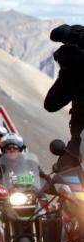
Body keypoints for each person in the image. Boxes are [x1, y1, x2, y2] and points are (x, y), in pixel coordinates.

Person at [44, 41, 84, 169]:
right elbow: (51, 104)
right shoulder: (72, 77)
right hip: (78, 142)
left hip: (78, 141)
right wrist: (66, 75)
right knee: (61, 178)